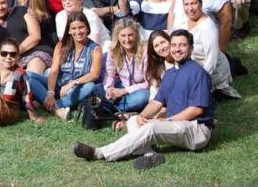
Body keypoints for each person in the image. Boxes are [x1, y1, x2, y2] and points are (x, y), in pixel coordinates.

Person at [73, 29, 214, 171]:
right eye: (174, 45)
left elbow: (196, 110)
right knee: (134, 121)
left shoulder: (198, 73)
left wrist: (167, 121)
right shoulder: (170, 74)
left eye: (182, 45)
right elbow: (157, 103)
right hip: (178, 125)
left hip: (197, 130)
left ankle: (100, 153)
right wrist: (142, 116)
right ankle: (149, 154)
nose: (177, 49)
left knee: (152, 127)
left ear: (191, 48)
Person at [30, 11, 103, 120]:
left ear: (87, 28)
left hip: (77, 89)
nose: (78, 31)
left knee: (90, 86)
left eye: (81, 27)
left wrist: (73, 83)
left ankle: (53, 104)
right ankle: (55, 108)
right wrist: (50, 93)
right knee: (28, 76)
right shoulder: (61, 46)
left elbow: (94, 74)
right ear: (69, 30)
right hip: (58, 87)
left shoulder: (95, 49)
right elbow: (54, 71)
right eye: (74, 28)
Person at [102, 18, 150, 115]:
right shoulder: (113, 49)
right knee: (95, 89)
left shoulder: (145, 50)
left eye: (130, 35)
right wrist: (109, 89)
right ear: (117, 36)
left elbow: (148, 83)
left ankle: (109, 108)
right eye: (123, 36)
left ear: (136, 35)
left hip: (139, 90)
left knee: (144, 96)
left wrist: (124, 91)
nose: (127, 40)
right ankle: (113, 105)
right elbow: (110, 75)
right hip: (122, 86)